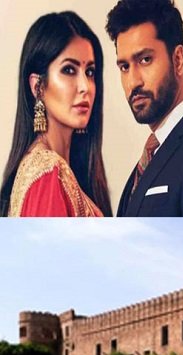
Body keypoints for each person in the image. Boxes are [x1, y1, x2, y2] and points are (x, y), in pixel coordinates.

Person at [106, 0, 183, 217]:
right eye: (124, 67)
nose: (133, 82)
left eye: (145, 60)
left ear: (178, 60)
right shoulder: (147, 161)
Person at [0, 12, 112, 217]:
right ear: (38, 87)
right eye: (69, 70)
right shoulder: (48, 175)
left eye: (89, 72)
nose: (85, 87)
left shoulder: (52, 170)